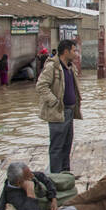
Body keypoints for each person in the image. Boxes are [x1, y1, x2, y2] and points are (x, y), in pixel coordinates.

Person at [36, 39, 82, 173]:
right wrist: (54, 101)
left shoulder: (70, 66)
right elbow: (41, 86)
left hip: (69, 111)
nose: (75, 53)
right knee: (57, 146)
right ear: (66, 51)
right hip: (58, 112)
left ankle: (65, 172)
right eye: (74, 50)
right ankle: (56, 176)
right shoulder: (52, 67)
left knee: (67, 144)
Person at [0, 162, 78, 210]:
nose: (32, 175)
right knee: (73, 193)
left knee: (69, 179)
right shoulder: (14, 196)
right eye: (29, 175)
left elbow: (41, 176)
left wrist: (53, 198)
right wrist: (30, 192)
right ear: (19, 182)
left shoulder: (26, 175)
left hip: (44, 186)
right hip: (40, 197)